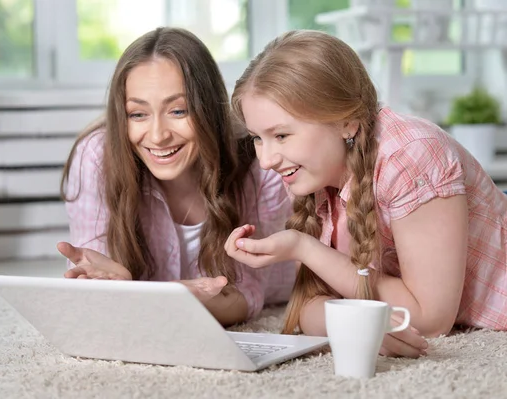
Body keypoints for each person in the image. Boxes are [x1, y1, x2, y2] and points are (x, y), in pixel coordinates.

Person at [225, 29, 507, 356]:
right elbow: (306, 309)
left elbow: (430, 321)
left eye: (282, 135)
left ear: (348, 123)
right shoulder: (311, 174)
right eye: (258, 138)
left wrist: (304, 247)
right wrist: (357, 323)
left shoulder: (410, 156)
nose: (266, 160)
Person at [57, 27, 296, 327]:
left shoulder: (258, 166)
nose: (158, 136)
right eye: (138, 114)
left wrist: (171, 302)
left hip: (281, 291)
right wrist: (114, 287)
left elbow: (247, 293)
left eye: (178, 111)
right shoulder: (97, 157)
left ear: (208, 109)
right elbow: (94, 279)